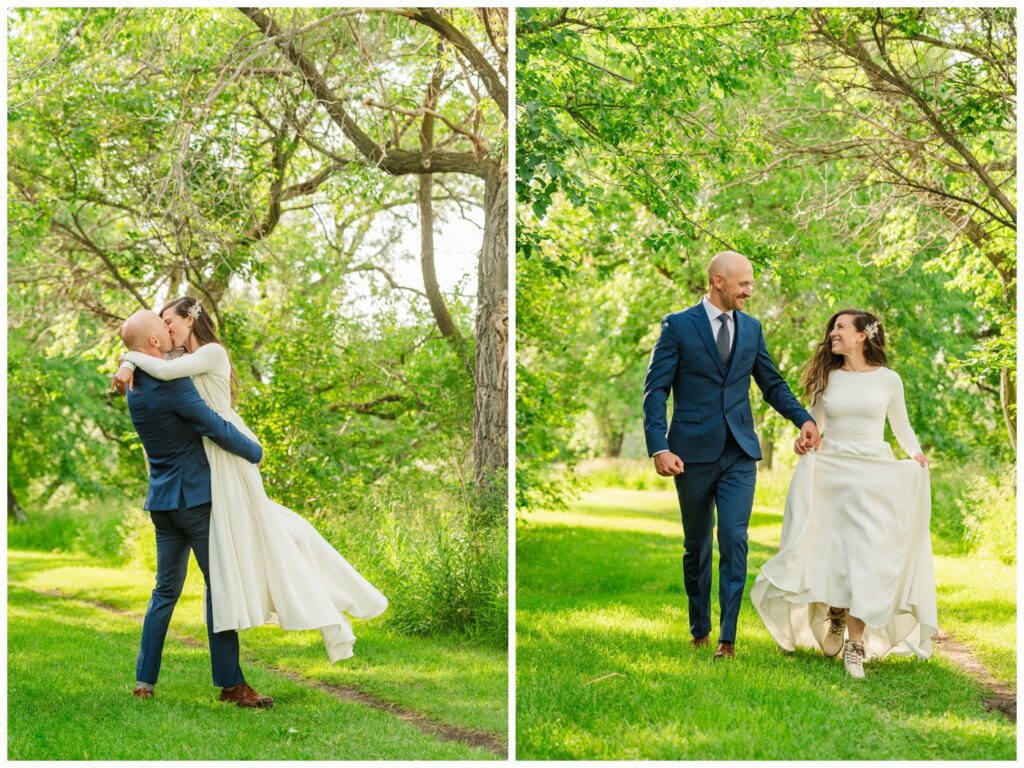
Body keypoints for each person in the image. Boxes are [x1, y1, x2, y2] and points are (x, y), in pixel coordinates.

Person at [114, 296, 387, 667]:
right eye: (161, 324)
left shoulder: (199, 358)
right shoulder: (172, 367)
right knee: (231, 570)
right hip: (210, 466)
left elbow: (151, 358)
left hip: (200, 469)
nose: (166, 327)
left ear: (188, 322)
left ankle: (148, 680)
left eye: (169, 320)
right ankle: (232, 677)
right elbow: (170, 378)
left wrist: (128, 362)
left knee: (240, 551)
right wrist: (130, 358)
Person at [642, 251, 820, 659]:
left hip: (739, 452)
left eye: (751, 284)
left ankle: (728, 639)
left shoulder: (752, 329)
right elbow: (656, 391)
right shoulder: (678, 326)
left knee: (735, 540)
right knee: (698, 545)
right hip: (690, 454)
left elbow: (771, 384)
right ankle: (699, 628)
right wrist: (659, 447)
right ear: (717, 281)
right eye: (743, 284)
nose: (749, 291)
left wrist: (802, 419)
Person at [750, 309, 937, 679]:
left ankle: (855, 644)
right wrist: (803, 438)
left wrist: (914, 453)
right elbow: (814, 422)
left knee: (865, 554)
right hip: (831, 472)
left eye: (840, 327)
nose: (832, 333)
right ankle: (835, 613)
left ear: (862, 336)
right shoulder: (828, 377)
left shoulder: (889, 380)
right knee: (831, 553)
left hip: (872, 474)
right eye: (832, 327)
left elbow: (900, 425)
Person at [119, 309, 274, 707]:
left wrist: (126, 360)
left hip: (161, 502)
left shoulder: (134, 386)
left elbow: (135, 352)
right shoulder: (174, 386)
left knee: (164, 591)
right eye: (164, 331)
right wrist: (254, 450)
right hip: (195, 501)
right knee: (218, 586)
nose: (170, 335)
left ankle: (144, 681)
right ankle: (231, 685)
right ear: (154, 343)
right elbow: (213, 426)